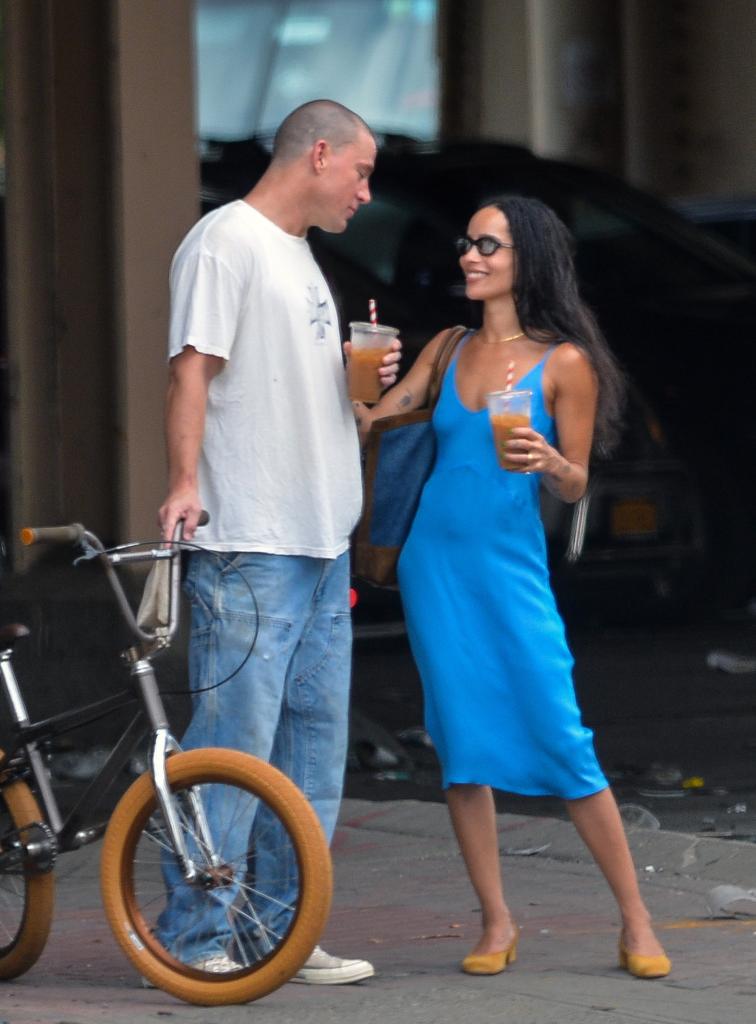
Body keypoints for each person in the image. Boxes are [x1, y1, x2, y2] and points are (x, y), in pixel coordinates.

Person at [356, 195, 671, 980]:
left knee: (564, 736)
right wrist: (360, 381)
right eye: (467, 243)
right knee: (461, 747)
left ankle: (636, 918)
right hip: (436, 568)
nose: (470, 256)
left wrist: (550, 462)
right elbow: (371, 422)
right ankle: (496, 919)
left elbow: (576, 485)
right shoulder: (448, 346)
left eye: (488, 246)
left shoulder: (566, 363)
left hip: (510, 568)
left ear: (527, 259)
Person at [157, 99, 400, 985]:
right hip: (249, 540)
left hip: (318, 539)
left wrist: (364, 391)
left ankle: (279, 936)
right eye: (362, 174)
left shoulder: (298, 257)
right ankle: (194, 937)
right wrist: (185, 483)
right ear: (321, 153)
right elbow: (193, 370)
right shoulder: (226, 242)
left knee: (308, 751)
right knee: (234, 745)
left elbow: (299, 397)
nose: (366, 194)